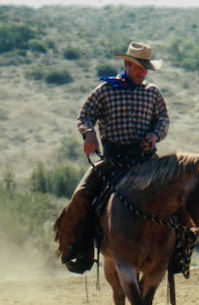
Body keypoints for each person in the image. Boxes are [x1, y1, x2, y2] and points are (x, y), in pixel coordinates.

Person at [54, 41, 169, 273]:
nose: (142, 72)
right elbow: (85, 116)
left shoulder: (152, 93)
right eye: (138, 67)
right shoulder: (106, 90)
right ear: (127, 64)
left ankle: (179, 251)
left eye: (145, 68)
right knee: (81, 197)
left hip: (145, 160)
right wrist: (89, 134)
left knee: (176, 192)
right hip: (114, 160)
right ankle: (78, 250)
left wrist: (154, 135)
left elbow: (163, 120)